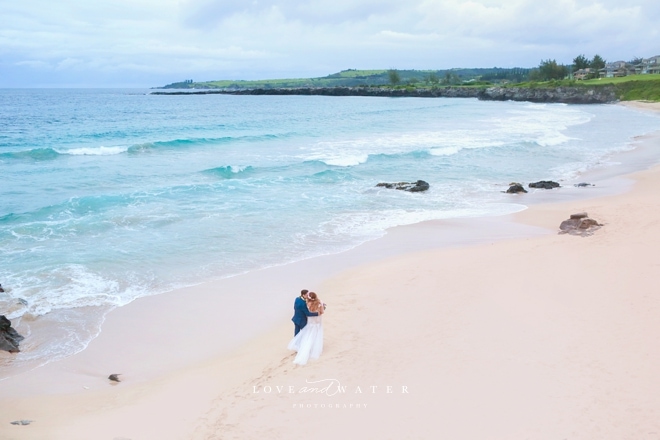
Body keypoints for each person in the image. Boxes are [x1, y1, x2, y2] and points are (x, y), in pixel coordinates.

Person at [287, 291, 324, 365]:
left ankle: (296, 345)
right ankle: (303, 346)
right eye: (306, 294)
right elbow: (308, 314)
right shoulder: (305, 304)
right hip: (304, 321)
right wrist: (318, 313)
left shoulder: (297, 299)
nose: (307, 296)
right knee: (306, 334)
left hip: (296, 318)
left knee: (298, 333)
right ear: (303, 295)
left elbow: (296, 307)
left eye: (308, 295)